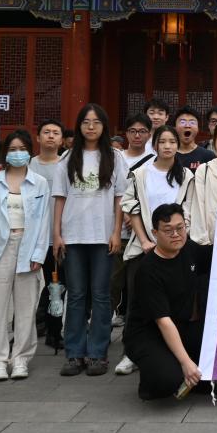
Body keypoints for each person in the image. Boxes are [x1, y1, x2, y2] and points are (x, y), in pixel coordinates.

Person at [52, 103, 128, 377]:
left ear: (104, 126)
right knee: (76, 295)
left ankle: (97, 353)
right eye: (86, 122)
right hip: (73, 236)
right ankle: (74, 353)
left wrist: (116, 232)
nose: (91, 126)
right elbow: (59, 198)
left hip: (103, 237)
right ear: (79, 126)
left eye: (96, 122)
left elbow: (120, 198)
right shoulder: (67, 158)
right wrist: (56, 234)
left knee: (101, 295)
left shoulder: (115, 157)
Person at [0, 130, 50, 381]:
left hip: (28, 247)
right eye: (12, 150)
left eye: (22, 149)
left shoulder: (39, 183)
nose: (17, 154)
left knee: (26, 309)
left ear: (30, 151)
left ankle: (21, 359)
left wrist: (39, 253)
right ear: (5, 153)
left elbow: (44, 221)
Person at [116, 124, 193, 376]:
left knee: (171, 302)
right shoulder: (141, 173)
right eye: (163, 142)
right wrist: (145, 240)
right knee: (137, 301)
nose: (168, 146)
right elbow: (131, 206)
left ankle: (169, 350)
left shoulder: (186, 176)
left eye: (172, 142)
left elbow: (189, 210)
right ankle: (131, 353)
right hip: (145, 246)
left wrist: (178, 239)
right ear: (155, 145)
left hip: (176, 247)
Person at [123, 203, 213, 400]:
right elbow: (163, 321)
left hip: (182, 327)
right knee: (167, 380)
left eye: (180, 228)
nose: (176, 234)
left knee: (211, 371)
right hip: (149, 333)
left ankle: (183, 368)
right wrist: (186, 363)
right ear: (155, 233)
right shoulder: (148, 270)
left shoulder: (188, 248)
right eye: (168, 230)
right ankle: (151, 379)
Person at [112, 113, 156, 328]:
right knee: (113, 282)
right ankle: (107, 321)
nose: (137, 135)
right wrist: (126, 214)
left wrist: (136, 215)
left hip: (143, 234)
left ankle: (133, 327)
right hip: (118, 230)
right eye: (132, 131)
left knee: (137, 285)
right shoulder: (116, 158)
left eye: (142, 131)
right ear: (126, 133)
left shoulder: (155, 160)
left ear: (149, 134)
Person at [30, 119, 68, 351]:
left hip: (60, 235)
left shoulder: (67, 165)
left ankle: (54, 331)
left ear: (62, 139)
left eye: (56, 132)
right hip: (34, 235)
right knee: (35, 284)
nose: (51, 136)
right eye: (46, 132)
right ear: (38, 137)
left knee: (58, 284)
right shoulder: (29, 165)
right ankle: (31, 325)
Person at [173, 107, 215, 174]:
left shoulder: (208, 156)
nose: (187, 126)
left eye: (192, 122)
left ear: (198, 129)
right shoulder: (168, 154)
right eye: (182, 122)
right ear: (175, 128)